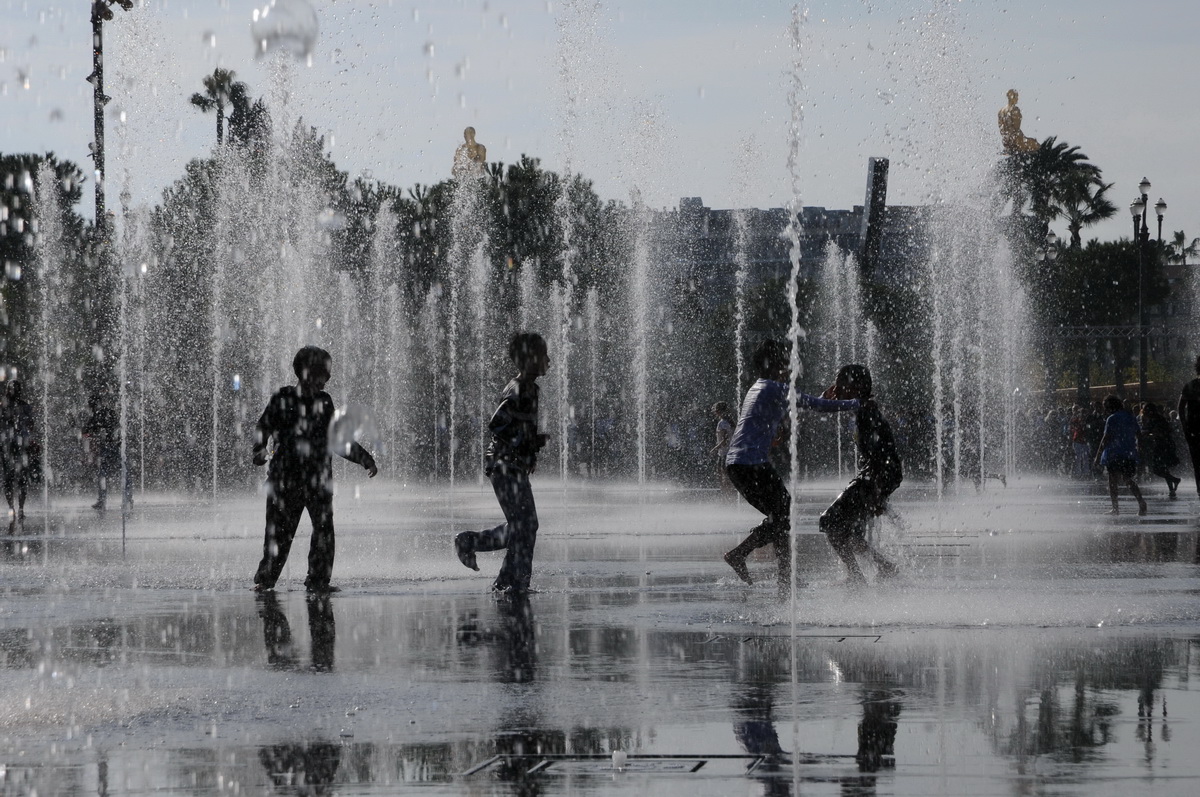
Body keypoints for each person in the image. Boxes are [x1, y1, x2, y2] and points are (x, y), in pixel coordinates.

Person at [721, 339, 859, 592]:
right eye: (786, 362)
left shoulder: (758, 387)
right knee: (783, 514)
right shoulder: (774, 387)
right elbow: (815, 406)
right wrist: (856, 403)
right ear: (777, 365)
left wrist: (774, 432)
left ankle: (783, 575)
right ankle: (745, 556)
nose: (790, 367)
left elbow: (796, 407)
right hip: (750, 464)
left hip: (739, 464)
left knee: (781, 515)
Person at [251, 346, 378, 594]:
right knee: (279, 534)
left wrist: (365, 459)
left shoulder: (324, 401)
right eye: (323, 372)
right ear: (306, 372)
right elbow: (263, 427)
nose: (327, 378)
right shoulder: (282, 397)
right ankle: (265, 580)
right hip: (285, 479)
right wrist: (259, 449)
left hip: (316, 479)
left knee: (323, 530)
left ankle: (318, 581)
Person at [454, 332, 550, 596]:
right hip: (503, 463)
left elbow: (520, 427)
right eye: (543, 355)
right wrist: (525, 443)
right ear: (529, 359)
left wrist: (530, 448)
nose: (549, 360)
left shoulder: (528, 387)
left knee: (523, 525)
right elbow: (496, 423)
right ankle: (513, 582)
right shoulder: (520, 388)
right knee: (525, 525)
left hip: (508, 464)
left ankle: (479, 550)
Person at [818, 364, 902, 586]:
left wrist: (877, 493)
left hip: (878, 475)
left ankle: (858, 575)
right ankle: (883, 567)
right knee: (848, 530)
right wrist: (827, 395)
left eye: (841, 384)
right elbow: (821, 406)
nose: (836, 388)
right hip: (877, 474)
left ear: (856, 388)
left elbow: (880, 454)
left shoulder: (867, 413)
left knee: (830, 521)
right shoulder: (862, 407)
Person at [1094, 394, 1146, 516]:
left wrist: (1098, 455)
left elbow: (1106, 438)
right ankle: (1141, 502)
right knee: (1128, 479)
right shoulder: (1130, 417)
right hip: (1129, 452)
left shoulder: (1111, 419)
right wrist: (1140, 449)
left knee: (1112, 481)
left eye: (1105, 407)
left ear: (1110, 406)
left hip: (1114, 453)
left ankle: (1115, 508)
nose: (1105, 409)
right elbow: (1138, 434)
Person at [1, 380, 36, 520]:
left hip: (13, 445)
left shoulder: (20, 406)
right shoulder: (20, 406)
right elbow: (31, 425)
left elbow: (31, 425)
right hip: (14, 445)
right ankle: (17, 508)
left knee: (14, 478)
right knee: (16, 478)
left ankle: (16, 508)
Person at [1139, 402, 1181, 499]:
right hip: (1163, 446)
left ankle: (1175, 481)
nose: (1143, 412)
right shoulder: (1156, 418)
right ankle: (1172, 488)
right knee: (1163, 469)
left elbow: (1157, 433)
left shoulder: (1157, 419)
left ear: (1150, 411)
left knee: (1156, 469)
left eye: (1145, 410)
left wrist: (1148, 434)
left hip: (1163, 446)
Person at [1179, 355, 1200, 500]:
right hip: (1193, 430)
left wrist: (1185, 426)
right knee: (1197, 461)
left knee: (1197, 462)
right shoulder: (1190, 386)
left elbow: (1180, 408)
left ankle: (1199, 488)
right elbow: (1180, 407)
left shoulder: (1190, 385)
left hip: (1193, 430)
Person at [710, 401, 734, 495]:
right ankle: (728, 495)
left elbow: (724, 441)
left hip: (724, 453)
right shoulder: (729, 421)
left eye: (716, 410)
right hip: (726, 452)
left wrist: (714, 449)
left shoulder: (723, 423)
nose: (715, 412)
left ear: (719, 411)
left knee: (723, 476)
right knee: (724, 475)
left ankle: (727, 496)